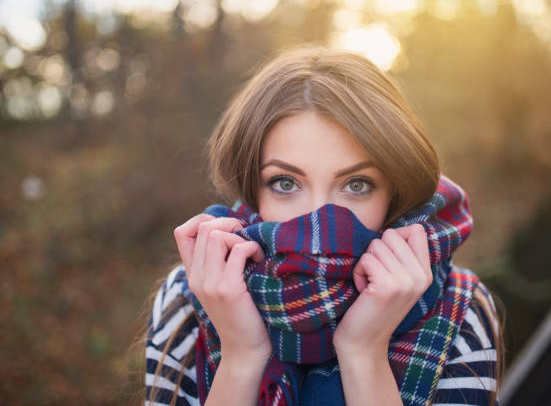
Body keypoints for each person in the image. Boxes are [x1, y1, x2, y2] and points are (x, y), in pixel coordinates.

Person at [144, 45, 505, 406]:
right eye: (285, 183)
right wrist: (241, 353)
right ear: (253, 190)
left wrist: (364, 352)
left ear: (395, 190)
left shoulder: (459, 308)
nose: (318, 221)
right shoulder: (195, 293)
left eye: (357, 184)